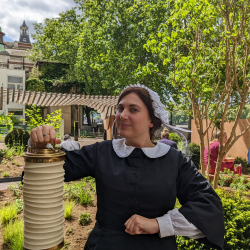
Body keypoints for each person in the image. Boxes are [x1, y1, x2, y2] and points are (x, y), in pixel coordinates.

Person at [29, 84, 224, 250]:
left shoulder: (174, 161)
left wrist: (158, 224)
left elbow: (209, 207)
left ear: (151, 121)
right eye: (120, 108)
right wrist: (40, 146)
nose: (122, 115)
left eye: (133, 109)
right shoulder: (102, 152)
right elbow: (49, 171)